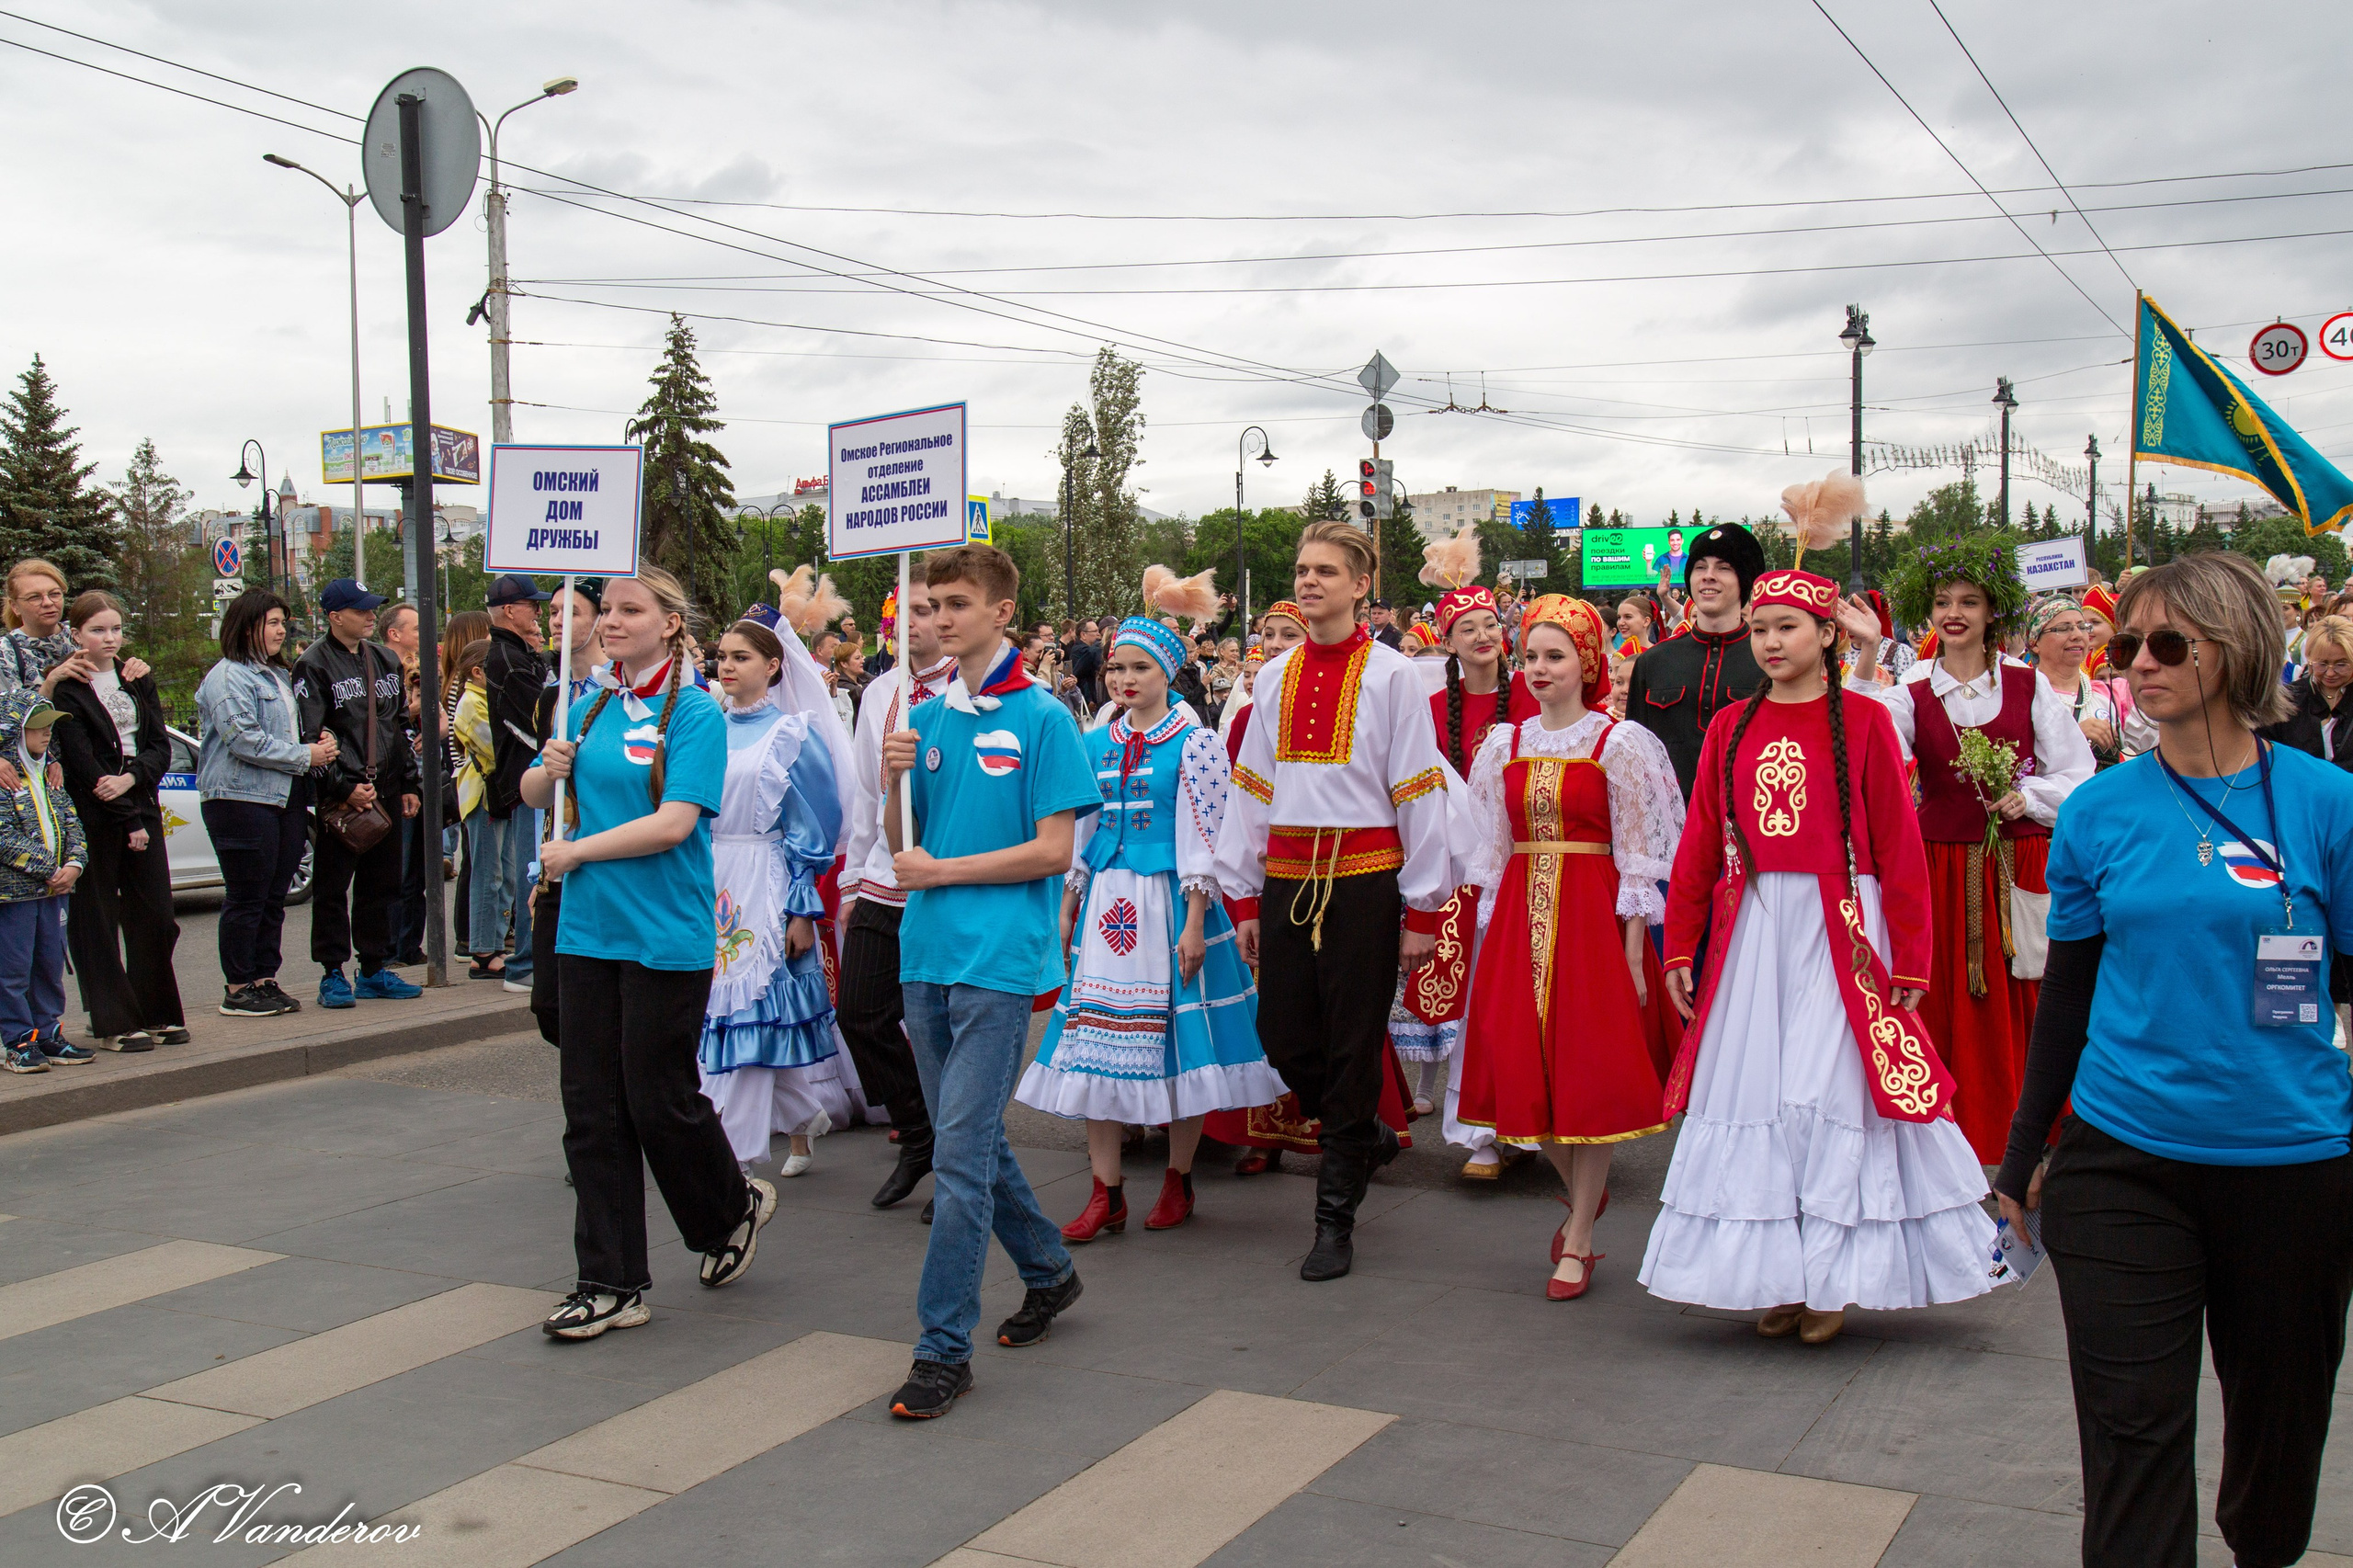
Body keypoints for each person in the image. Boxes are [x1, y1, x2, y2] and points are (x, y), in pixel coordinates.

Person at [1995, 551, 2353, 1568]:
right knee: (2131, 1431)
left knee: (2278, 1435)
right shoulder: (2101, 810)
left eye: (2163, 644)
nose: (2135, 665)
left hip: (2293, 1162)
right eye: (2123, 646)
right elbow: (2067, 991)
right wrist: (2022, 1159)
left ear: (2231, 648)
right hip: (2121, 1158)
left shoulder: (2330, 804)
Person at [1643, 565, 1999, 1344]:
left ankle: (1831, 1277)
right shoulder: (1730, 727)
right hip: (1754, 935)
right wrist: (1682, 943)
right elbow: (1702, 839)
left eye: (1788, 628)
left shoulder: (1866, 722)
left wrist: (1910, 959)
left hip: (1843, 932)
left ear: (1828, 635)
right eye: (1761, 629)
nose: (1770, 642)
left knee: (1827, 1094)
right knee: (1761, 1096)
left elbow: (1901, 851)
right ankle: (1779, 1272)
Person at [524, 566, 776, 1341]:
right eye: (608, 610)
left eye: (632, 611)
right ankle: (610, 1282)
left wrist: (576, 853)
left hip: (667, 933)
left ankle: (730, 1203)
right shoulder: (590, 702)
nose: (612, 622)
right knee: (590, 1112)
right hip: (588, 932)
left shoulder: (695, 713)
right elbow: (535, 794)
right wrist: (548, 771)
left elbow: (673, 824)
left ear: (670, 624)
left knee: (657, 1098)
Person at [879, 542, 1101, 1417]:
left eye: (955, 604)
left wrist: (946, 874)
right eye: (931, 605)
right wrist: (887, 776)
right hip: (925, 955)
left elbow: (1054, 850)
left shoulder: (1043, 717)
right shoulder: (924, 714)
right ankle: (1048, 1271)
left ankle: (942, 1350)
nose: (937, 619)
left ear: (1001, 612)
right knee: (968, 1139)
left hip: (1000, 963)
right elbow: (901, 846)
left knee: (960, 1158)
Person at [1214, 522, 1458, 1281]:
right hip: (1287, 877)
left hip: (1363, 879)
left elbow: (1419, 789)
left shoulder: (1393, 677)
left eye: (1325, 571)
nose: (1309, 581)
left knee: (1353, 1041)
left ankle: (1334, 1213)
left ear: (1360, 586)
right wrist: (1244, 897)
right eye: (1301, 569)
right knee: (1284, 1033)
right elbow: (1253, 787)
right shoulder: (1277, 675)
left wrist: (1422, 910)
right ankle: (1365, 1138)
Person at [1017, 572, 1282, 1239]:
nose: (1123, 680)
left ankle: (1178, 1178)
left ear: (1167, 672)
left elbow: (1205, 835)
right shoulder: (1095, 741)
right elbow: (1081, 826)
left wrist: (1196, 920)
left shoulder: (1194, 744)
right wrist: (1070, 899)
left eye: (1139, 668)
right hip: (1108, 901)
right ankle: (1106, 1192)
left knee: (1177, 1043)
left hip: (1167, 904)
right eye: (1115, 668)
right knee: (1093, 1047)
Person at [1461, 596, 1683, 1300]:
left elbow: (1640, 852)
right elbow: (1492, 850)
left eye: (1554, 655)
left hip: (1591, 914)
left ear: (1586, 662)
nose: (1538, 669)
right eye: (1530, 656)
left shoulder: (1617, 743)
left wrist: (1631, 947)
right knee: (1522, 1061)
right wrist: (1490, 930)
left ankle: (1580, 1234)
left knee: (1586, 1072)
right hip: (1523, 911)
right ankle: (1581, 1193)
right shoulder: (1504, 744)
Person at [1852, 539, 2094, 1162]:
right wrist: (1863, 653)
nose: (1953, 612)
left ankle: (2028, 1133)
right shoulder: (1909, 689)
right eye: (1941, 602)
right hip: (1937, 865)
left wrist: (2028, 797)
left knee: (2025, 990)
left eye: (1969, 601)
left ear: (1993, 613)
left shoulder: (2027, 685)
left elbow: (2079, 776)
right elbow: (1865, 744)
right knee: (1940, 997)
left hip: (2015, 866)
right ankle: (1945, 1142)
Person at [699, 620, 854, 1179]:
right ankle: (803, 1116)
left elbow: (812, 823)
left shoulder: (792, 732)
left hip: (763, 874)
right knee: (729, 1011)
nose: (727, 666)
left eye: (742, 656)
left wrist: (800, 904)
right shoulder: (701, 728)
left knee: (750, 1008)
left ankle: (731, 1160)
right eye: (721, 656)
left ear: (773, 666)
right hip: (711, 876)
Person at [1415, 525, 1539, 1176]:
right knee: (1477, 1000)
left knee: (1533, 995)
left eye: (1491, 625)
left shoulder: (1537, 693)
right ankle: (1481, 1131)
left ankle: (1532, 1123)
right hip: (1464, 874)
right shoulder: (1432, 709)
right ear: (1447, 640)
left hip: (1535, 864)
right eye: (1469, 629)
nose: (1484, 636)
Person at [841, 572, 958, 1213]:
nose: (914, 622)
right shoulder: (880, 693)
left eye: (928, 610)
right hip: (888, 877)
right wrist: (856, 878)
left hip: (948, 879)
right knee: (858, 1012)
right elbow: (865, 793)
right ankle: (919, 1135)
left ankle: (961, 1159)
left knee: (943, 1028)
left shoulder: (969, 692)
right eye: (905, 611)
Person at [50, 591, 182, 1051]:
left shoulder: (136, 677)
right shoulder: (69, 686)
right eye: (97, 630)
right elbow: (84, 763)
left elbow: (159, 747)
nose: (109, 638)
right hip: (94, 809)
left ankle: (158, 1011)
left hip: (137, 796)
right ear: (76, 635)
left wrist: (132, 782)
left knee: (156, 915)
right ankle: (112, 1022)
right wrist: (123, 807)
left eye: (116, 629)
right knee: (97, 917)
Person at [195, 591, 337, 1018]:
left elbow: (289, 734)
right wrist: (303, 756)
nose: (280, 631)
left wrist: (318, 744)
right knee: (247, 895)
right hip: (240, 799)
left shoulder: (275, 675)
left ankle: (264, 979)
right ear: (245, 626)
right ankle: (237, 987)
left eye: (282, 623)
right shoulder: (228, 677)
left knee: (275, 895)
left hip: (284, 796)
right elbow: (243, 739)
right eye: (272, 623)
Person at [293, 579, 424, 1009]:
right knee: (332, 889)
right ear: (335, 617)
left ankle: (373, 968)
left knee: (383, 886)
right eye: (361, 610)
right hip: (341, 799)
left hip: (385, 790)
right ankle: (332, 972)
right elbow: (311, 736)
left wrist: (408, 783)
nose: (371, 616)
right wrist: (344, 787)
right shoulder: (313, 665)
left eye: (373, 609)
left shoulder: (385, 659)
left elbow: (400, 725)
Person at [1625, 524, 1765, 799]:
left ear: (1745, 581)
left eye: (1723, 568)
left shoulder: (1769, 661)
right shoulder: (1653, 662)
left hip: (1750, 824)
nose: (1708, 577)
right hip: (1672, 830)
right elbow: (1635, 759)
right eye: (1700, 567)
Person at [0, 691, 86, 1073]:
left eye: (50, 726)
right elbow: (3, 836)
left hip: (55, 892)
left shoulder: (51, 773)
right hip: (14, 896)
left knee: (49, 964)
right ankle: (17, 1041)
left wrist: (74, 864)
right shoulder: (5, 778)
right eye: (38, 727)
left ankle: (47, 1032)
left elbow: (72, 824)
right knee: (13, 970)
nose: (47, 733)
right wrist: (49, 867)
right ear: (14, 732)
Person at [483, 574, 552, 996]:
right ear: (510, 611)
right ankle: (524, 963)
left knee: (534, 867)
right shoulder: (506, 660)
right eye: (534, 605)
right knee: (534, 871)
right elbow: (537, 719)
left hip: (534, 776)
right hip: (530, 779)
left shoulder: (521, 654)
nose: (541, 613)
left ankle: (528, 959)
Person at [449, 639, 506, 978]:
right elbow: (495, 748)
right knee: (488, 875)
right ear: (478, 672)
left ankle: (495, 944)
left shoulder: (487, 697)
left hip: (496, 794)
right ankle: (483, 951)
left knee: (505, 873)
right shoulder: (472, 702)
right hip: (482, 795)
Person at [377, 602, 428, 967]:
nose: (421, 637)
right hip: (393, 781)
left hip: (418, 777)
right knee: (397, 869)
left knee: (417, 874)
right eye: (415, 629)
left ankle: (410, 944)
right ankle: (390, 946)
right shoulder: (381, 669)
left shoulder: (416, 669)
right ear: (394, 634)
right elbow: (383, 720)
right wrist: (412, 712)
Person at [438, 608, 492, 951]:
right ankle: (469, 938)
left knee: (476, 862)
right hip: (474, 779)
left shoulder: (456, 680)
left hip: (467, 777)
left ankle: (469, 935)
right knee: (479, 865)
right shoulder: (466, 686)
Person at [2026, 597, 2122, 770]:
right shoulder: (2023, 696)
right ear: (2034, 643)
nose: (2077, 635)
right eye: (2063, 629)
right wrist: (2076, 735)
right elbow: (2018, 764)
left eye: (2082, 627)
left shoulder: (2108, 694)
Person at [1067, 617, 1105, 710]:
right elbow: (1081, 676)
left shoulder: (1085, 649)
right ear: (1083, 635)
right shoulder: (1084, 651)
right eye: (1095, 631)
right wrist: (1089, 700)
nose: (1098, 634)